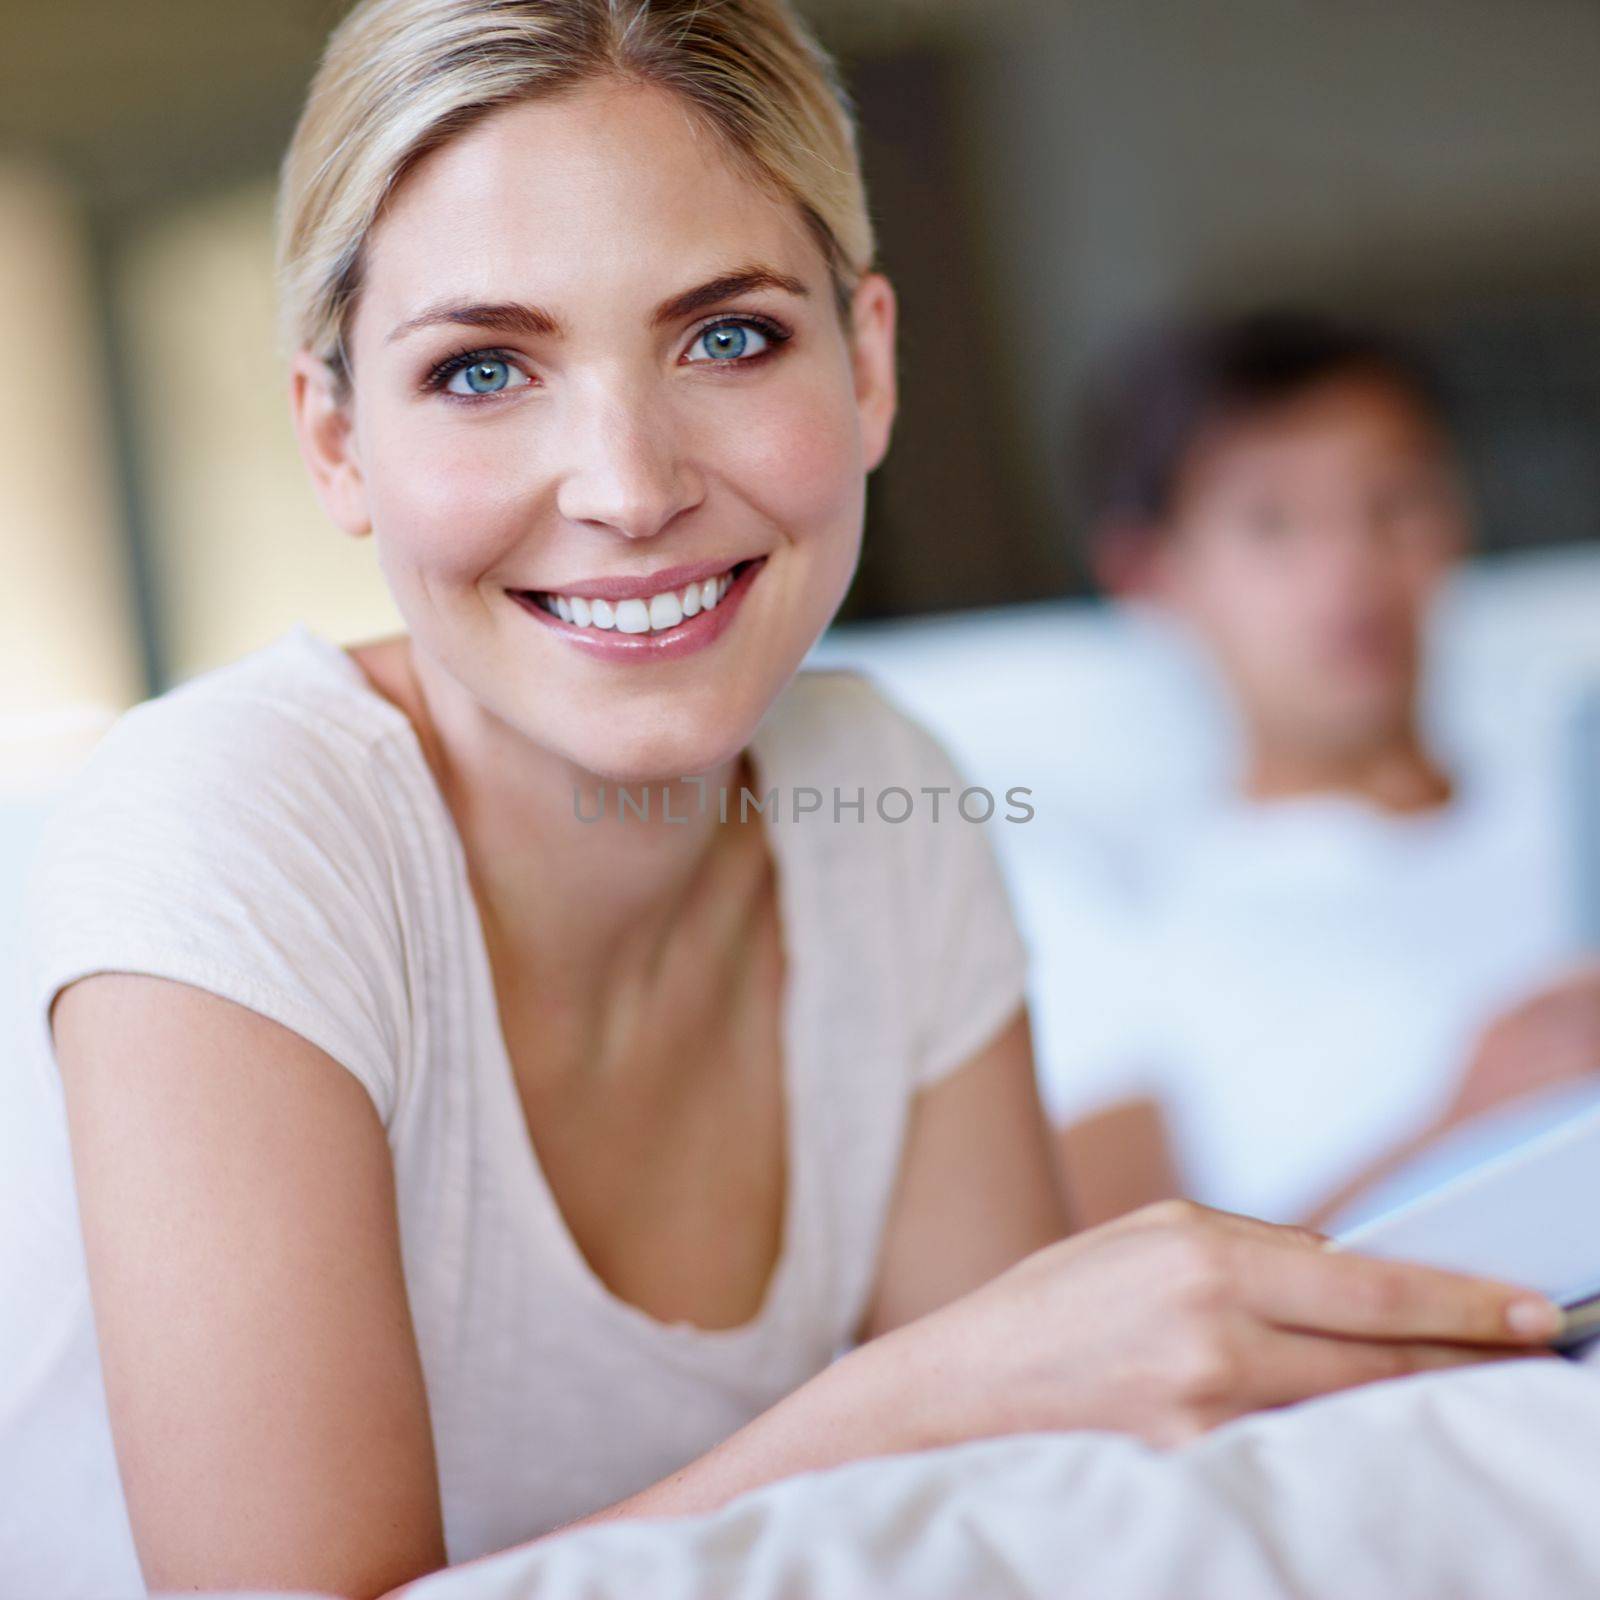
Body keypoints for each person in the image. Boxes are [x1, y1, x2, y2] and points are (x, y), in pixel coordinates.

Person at [0, 13, 1565, 1600]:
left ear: (869, 362)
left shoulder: (880, 797)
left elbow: (1044, 1500)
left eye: (728, 337)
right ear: (338, 442)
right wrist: (927, 1391)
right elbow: (983, 1415)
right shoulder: (229, 826)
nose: (627, 485)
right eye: (483, 369)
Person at [1042, 308, 1599, 1230]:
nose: (1351, 569)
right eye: (1272, 524)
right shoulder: (1122, 915)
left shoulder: (1571, 806)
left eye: (1396, 502)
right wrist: (1468, 1130)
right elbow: (1119, 1308)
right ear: (1151, 575)